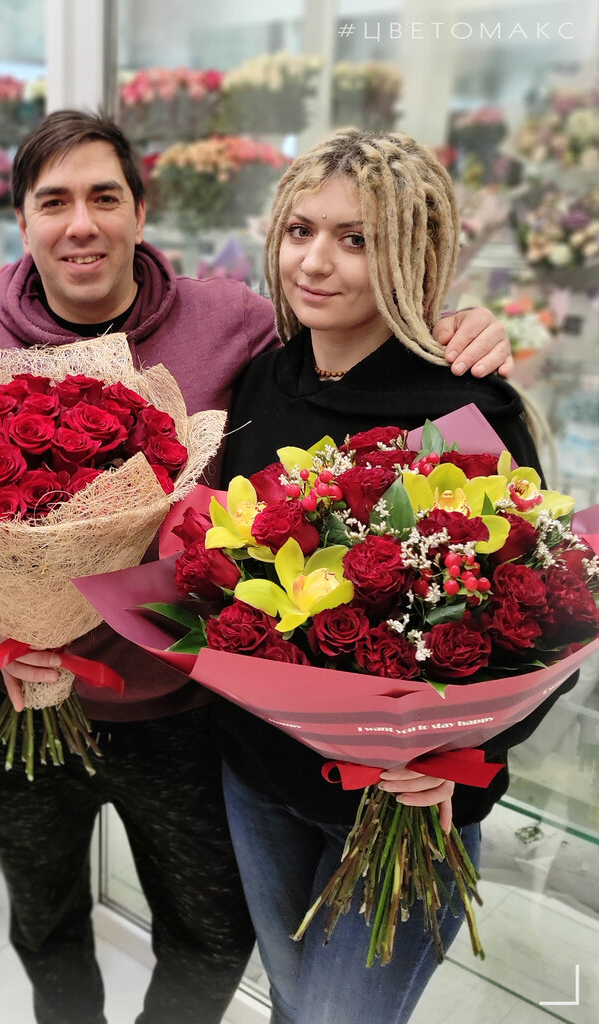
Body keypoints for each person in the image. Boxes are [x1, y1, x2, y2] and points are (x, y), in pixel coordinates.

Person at [0, 110, 513, 1024]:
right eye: (54, 202)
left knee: (213, 941)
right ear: (22, 220)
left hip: (190, 719)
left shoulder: (235, 330)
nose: (81, 223)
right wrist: (1, 636)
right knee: (46, 926)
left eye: (104, 197)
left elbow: (362, 366)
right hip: (36, 704)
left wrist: (460, 324)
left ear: (141, 211)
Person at [216, 128, 573, 1024]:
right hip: (261, 780)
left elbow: (550, 612)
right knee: (290, 1003)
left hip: (409, 805)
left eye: (357, 239)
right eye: (300, 230)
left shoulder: (463, 404)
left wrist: (466, 752)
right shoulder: (260, 383)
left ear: (416, 253)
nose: (315, 261)